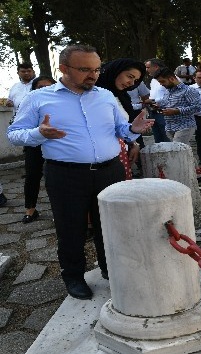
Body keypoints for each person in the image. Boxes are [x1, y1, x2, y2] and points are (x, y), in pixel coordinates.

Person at [7, 44, 154, 300]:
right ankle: (74, 276)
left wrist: (134, 130)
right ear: (63, 69)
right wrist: (38, 133)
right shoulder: (39, 98)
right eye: (85, 69)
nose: (93, 75)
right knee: (70, 228)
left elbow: (121, 130)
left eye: (96, 69)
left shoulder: (106, 96)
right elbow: (14, 135)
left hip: (110, 171)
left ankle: (111, 270)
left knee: (110, 225)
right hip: (66, 175)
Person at [95, 58, 148, 175]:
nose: (132, 83)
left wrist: (133, 142)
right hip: (100, 159)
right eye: (129, 76)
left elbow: (125, 124)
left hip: (122, 154)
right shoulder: (93, 94)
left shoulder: (123, 96)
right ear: (116, 71)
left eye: (135, 80)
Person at [21, 76, 56, 224]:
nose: (44, 90)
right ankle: (30, 210)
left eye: (48, 86)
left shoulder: (61, 104)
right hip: (34, 145)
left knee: (56, 179)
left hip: (56, 145)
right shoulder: (29, 104)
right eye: (40, 87)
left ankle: (59, 210)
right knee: (32, 177)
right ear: (34, 89)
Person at [153, 67, 201, 144]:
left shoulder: (188, 90)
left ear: (172, 79)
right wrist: (159, 106)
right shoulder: (168, 90)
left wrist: (177, 111)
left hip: (185, 126)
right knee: (182, 152)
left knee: (177, 151)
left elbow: (197, 107)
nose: (161, 84)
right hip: (169, 127)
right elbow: (168, 105)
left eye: (162, 81)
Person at [144, 58, 171, 143]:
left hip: (165, 113)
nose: (146, 70)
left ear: (156, 67)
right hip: (153, 112)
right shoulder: (153, 80)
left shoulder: (170, 78)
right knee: (158, 141)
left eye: (148, 67)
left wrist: (154, 101)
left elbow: (174, 95)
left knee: (167, 139)